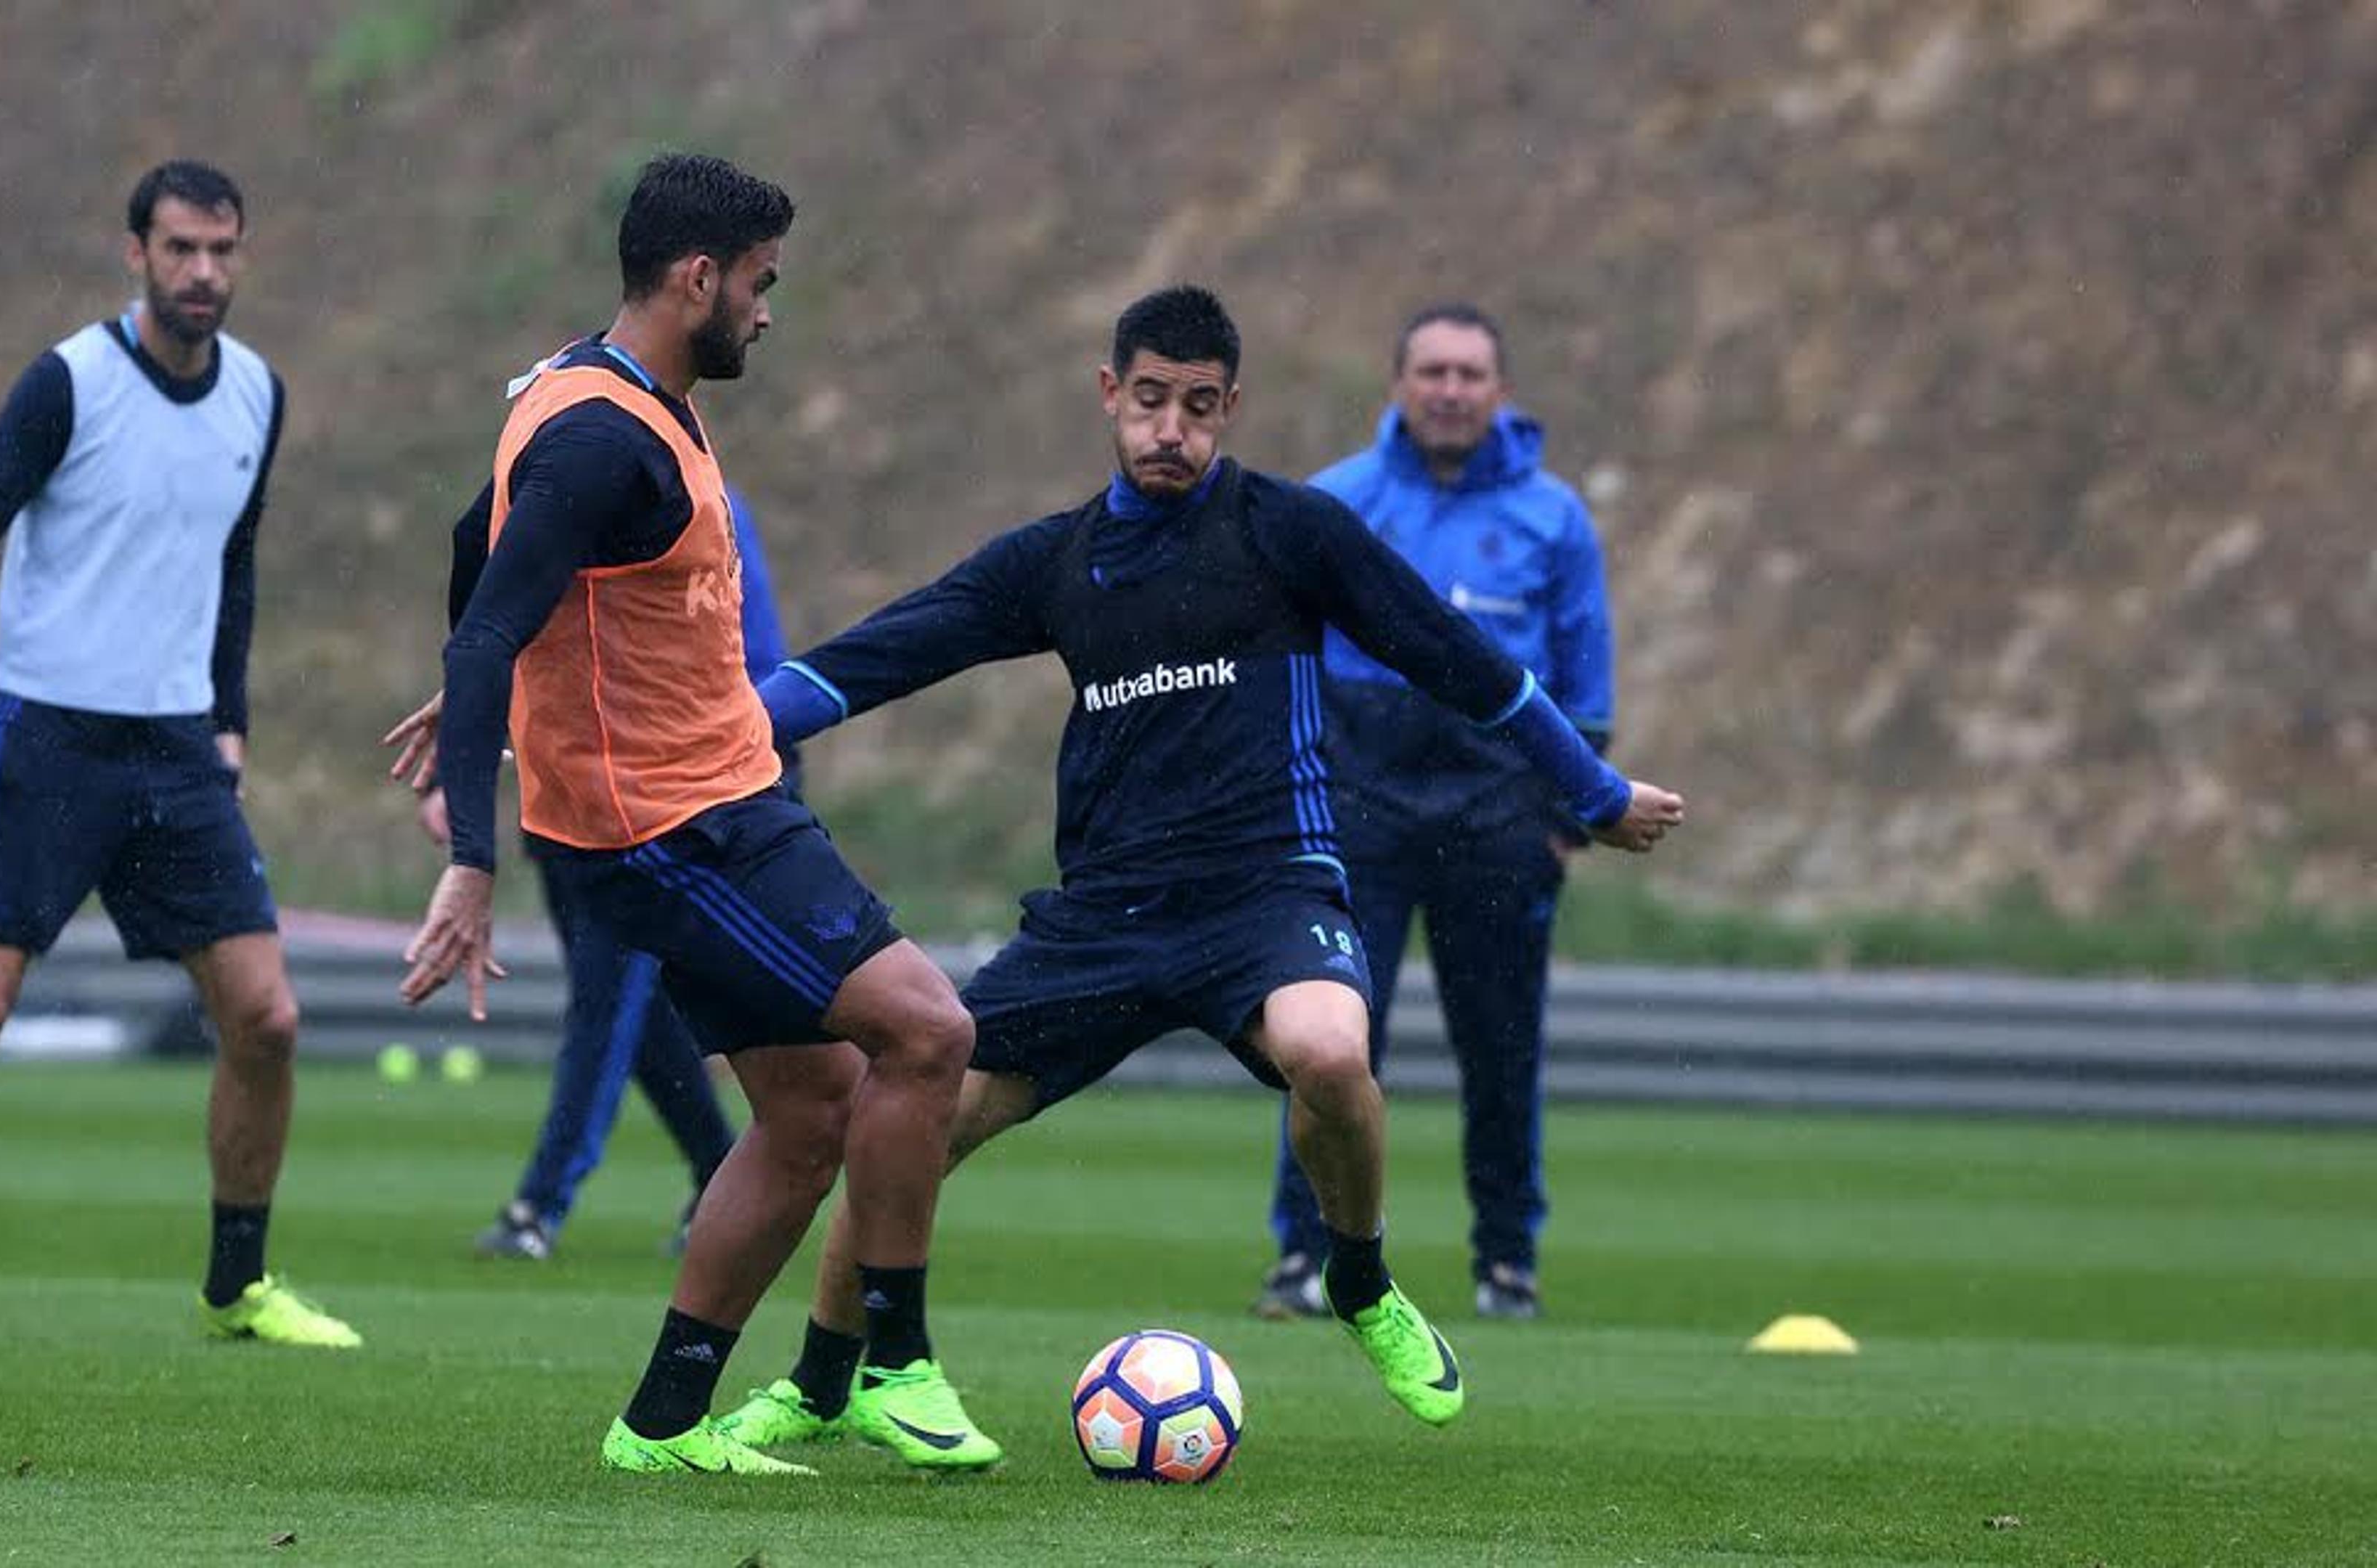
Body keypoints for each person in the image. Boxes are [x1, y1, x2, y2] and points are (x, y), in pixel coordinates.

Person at [713, 286, 1683, 1463]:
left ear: (1232, 409)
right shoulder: (1057, 561)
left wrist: (1594, 790)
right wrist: (707, 742)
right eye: (1154, 401)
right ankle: (825, 1382)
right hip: (1106, 919)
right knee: (908, 1112)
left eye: (1201, 407)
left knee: (1330, 1052)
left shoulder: (1291, 531)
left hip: (1269, 892)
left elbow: (1460, 659)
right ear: (1111, 395)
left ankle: (1361, 1279)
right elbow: (877, 656)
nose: (1173, 429)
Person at [388, 152, 986, 1477]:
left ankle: (661, 1425)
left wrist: (472, 673)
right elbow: (489, 614)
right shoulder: (607, 439)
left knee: (817, 1109)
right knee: (932, 1035)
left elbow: (465, 540)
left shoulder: (587, 388)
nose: (770, 313)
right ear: (697, 277)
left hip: (714, 802)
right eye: (762, 284)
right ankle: (891, 1364)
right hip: (675, 827)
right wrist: (471, 855)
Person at [0, 162, 356, 1350]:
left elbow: (231, 566)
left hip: (178, 752)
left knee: (267, 1017)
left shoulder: (256, 396)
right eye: (181, 249)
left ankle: (236, 1285)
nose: (204, 273)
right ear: (134, 252)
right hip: (50, 741)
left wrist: (229, 713)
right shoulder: (67, 384)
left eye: (222, 251)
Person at [1254, 303, 1612, 1325]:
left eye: (1470, 374)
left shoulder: (1555, 518)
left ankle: (1508, 1262)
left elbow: (1586, 679)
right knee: (1329, 1046)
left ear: (1500, 391)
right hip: (1354, 818)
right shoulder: (1333, 502)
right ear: (1398, 384)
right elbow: (1279, 662)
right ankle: (1303, 1255)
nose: (1451, 390)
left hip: (1500, 824)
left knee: (1500, 1051)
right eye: (1433, 372)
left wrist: (1565, 818)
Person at [425, 488, 793, 1264]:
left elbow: (744, 670)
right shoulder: (562, 477)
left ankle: (539, 1206)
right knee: (637, 1006)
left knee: (608, 1001)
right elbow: (502, 631)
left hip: (665, 801)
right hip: (572, 791)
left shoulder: (688, 500)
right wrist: (459, 765)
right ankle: (716, 1171)